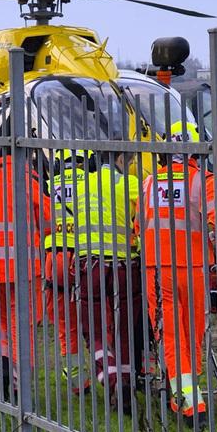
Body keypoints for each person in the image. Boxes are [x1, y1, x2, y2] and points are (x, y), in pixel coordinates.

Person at [136, 121, 215, 427]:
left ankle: (186, 397)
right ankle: (187, 396)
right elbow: (215, 225)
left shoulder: (149, 183)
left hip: (158, 271)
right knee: (194, 332)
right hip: (194, 269)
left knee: (169, 334)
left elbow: (138, 227)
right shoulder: (202, 180)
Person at [0, 140, 51, 402]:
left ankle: (0, 362)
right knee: (21, 324)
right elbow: (48, 222)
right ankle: (17, 384)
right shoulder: (26, 178)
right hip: (23, 267)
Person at [74, 150, 143, 414]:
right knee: (125, 331)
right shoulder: (130, 184)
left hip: (89, 267)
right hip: (125, 268)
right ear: (121, 159)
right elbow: (145, 220)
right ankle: (125, 382)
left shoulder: (83, 184)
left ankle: (112, 380)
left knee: (95, 332)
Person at [43, 148, 95, 396]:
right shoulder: (93, 182)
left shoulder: (49, 185)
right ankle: (110, 374)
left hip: (56, 259)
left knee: (66, 324)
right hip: (87, 258)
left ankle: (78, 383)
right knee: (100, 320)